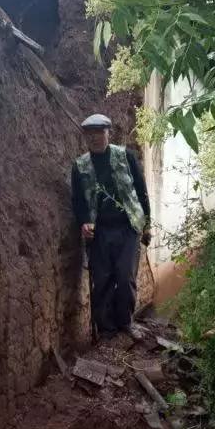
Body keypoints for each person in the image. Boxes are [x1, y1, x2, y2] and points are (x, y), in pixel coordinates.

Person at [71, 114, 151, 340]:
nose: (95, 138)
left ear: (108, 133)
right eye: (90, 134)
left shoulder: (125, 157)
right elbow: (77, 201)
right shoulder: (80, 166)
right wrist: (83, 221)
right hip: (99, 232)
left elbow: (141, 190)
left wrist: (147, 225)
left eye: (99, 132)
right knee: (103, 279)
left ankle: (125, 322)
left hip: (128, 228)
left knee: (125, 277)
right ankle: (106, 330)